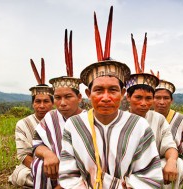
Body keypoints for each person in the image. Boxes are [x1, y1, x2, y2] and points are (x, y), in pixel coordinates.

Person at [58, 6, 163, 189]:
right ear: (88, 94)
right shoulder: (74, 125)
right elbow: (69, 175)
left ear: (123, 94)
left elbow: (149, 176)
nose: (106, 97)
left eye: (113, 90)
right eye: (99, 90)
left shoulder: (139, 126)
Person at [125, 33, 183, 189]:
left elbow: (170, 145)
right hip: (126, 172)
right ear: (128, 97)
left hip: (153, 168)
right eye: (138, 97)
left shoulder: (158, 119)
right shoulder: (120, 118)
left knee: (178, 165)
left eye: (148, 98)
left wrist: (172, 161)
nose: (144, 103)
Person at [32, 29, 84, 189]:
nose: (62, 103)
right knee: (40, 164)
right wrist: (47, 154)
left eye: (68, 97)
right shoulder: (50, 117)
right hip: (54, 173)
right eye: (58, 98)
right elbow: (36, 144)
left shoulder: (89, 119)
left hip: (83, 177)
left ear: (80, 98)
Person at [9, 58, 54, 188]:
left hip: (59, 165)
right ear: (32, 104)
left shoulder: (60, 120)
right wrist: (41, 170)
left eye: (46, 101)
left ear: (52, 103)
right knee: (21, 175)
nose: (41, 105)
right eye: (37, 101)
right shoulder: (23, 124)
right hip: (35, 166)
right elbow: (23, 155)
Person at [154, 79, 183, 182]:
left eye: (166, 98)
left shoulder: (181, 119)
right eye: (157, 98)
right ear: (152, 99)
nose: (162, 102)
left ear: (171, 100)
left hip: (175, 161)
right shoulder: (147, 118)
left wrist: (180, 161)